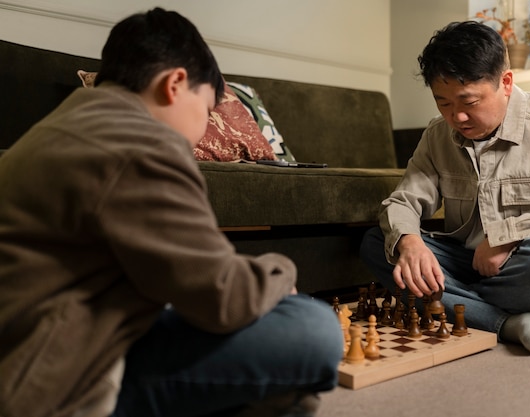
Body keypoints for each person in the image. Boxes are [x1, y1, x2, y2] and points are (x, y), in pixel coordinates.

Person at [0, 8, 343, 417]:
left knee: (286, 385)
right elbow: (224, 298)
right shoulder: (141, 143)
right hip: (53, 385)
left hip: (36, 350)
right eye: (205, 111)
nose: (201, 132)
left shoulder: (64, 126)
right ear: (175, 83)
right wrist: (281, 271)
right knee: (314, 327)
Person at [360, 21, 530, 355]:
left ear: (507, 83)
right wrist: (411, 244)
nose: (456, 117)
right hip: (469, 263)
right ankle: (502, 321)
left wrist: (510, 234)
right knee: (379, 243)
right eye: (443, 103)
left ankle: (457, 302)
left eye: (469, 102)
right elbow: (404, 202)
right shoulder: (436, 136)